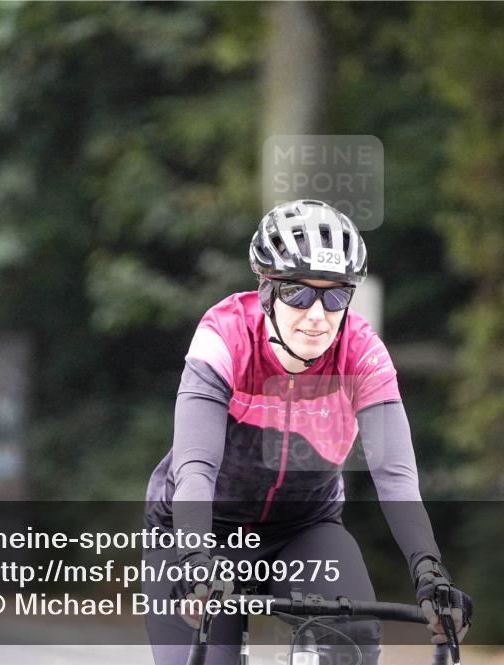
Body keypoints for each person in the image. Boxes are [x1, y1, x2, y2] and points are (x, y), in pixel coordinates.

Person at [143, 199, 471, 664]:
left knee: (353, 636)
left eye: (335, 295)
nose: (317, 314)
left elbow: (395, 476)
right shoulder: (224, 335)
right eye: (298, 293)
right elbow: (195, 467)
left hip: (302, 527)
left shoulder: (361, 353)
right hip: (203, 529)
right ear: (266, 290)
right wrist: (195, 556)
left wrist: (429, 571)